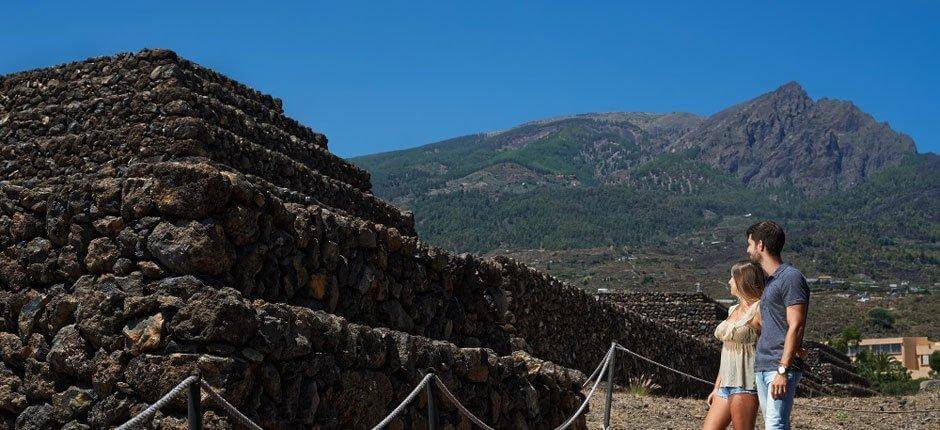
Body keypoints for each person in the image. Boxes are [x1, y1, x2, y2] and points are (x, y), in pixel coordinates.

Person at [746, 221, 810, 430]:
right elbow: (771, 323)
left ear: (760, 245)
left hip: (779, 367)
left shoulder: (790, 277)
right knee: (774, 425)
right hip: (764, 365)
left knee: (775, 426)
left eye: (750, 244)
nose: (748, 250)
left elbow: (796, 324)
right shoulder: (771, 282)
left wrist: (783, 369)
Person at [703, 261, 765, 430]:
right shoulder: (732, 310)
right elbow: (726, 350)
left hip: (745, 384)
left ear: (742, 281)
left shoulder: (760, 308)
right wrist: (716, 387)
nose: (729, 281)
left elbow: (774, 337)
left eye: (732, 277)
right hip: (724, 384)